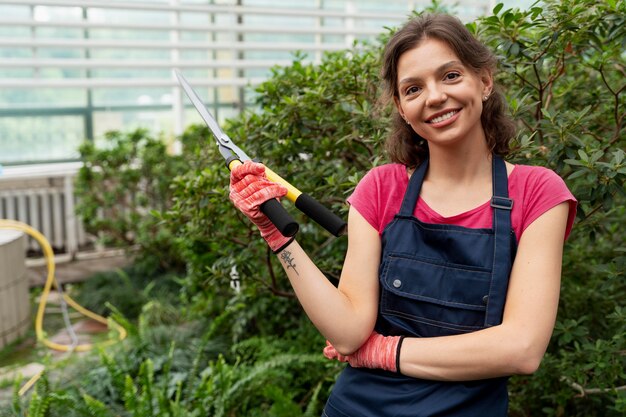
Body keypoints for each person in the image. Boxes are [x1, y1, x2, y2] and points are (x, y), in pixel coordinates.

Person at [229, 13, 577, 417]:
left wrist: (385, 350)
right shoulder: (381, 189)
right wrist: (278, 237)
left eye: (449, 76)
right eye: (413, 88)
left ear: (484, 81)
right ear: (402, 107)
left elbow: (521, 348)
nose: (434, 97)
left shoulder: (538, 193)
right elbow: (347, 334)